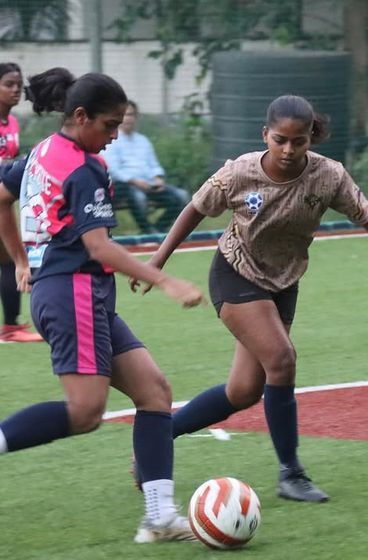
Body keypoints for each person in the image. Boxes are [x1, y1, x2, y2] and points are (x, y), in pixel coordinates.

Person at [133, 94, 368, 503]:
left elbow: (366, 214)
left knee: (244, 391)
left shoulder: (328, 176)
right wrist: (158, 260)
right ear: (265, 134)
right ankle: (292, 474)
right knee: (282, 360)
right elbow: (195, 209)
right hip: (235, 274)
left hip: (284, 284)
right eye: (280, 139)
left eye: (298, 141)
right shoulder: (239, 173)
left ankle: (155, 440)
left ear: (310, 139)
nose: (288, 149)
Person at [0, 67, 205, 544]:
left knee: (155, 391)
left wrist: (20, 259)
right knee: (85, 412)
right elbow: (100, 247)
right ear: (80, 116)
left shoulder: (42, 151)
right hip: (73, 293)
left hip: (75, 293)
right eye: (110, 125)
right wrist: (166, 280)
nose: (114, 136)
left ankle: (158, 517)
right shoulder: (84, 167)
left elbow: (1, 196)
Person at [0, 62, 42, 342]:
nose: (16, 90)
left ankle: (11, 326)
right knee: (8, 258)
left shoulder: (12, 122)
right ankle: (11, 327)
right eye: (8, 84)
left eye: (18, 84)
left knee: (7, 258)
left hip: (3, 200)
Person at [102, 100, 189, 234]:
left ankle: (157, 230)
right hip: (126, 187)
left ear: (136, 117)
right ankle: (148, 230)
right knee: (138, 197)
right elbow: (113, 170)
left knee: (181, 197)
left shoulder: (143, 140)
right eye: (124, 115)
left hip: (150, 185)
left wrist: (158, 178)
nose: (128, 119)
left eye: (131, 115)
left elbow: (154, 165)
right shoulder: (112, 139)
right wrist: (136, 182)